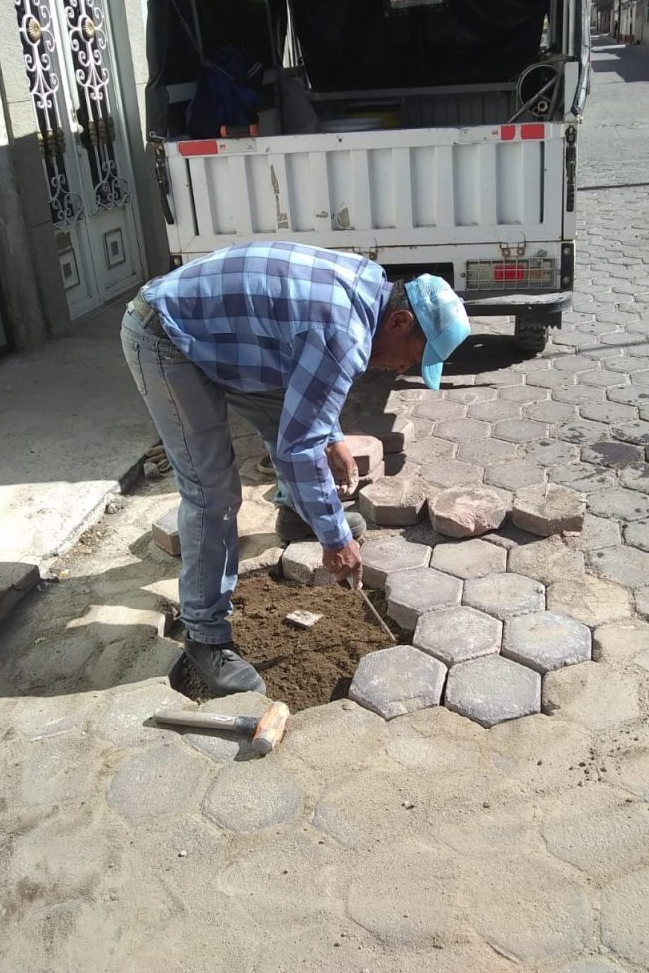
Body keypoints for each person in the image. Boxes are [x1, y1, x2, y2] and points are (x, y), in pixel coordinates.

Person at [120, 241, 470, 695]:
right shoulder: (344, 333)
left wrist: (332, 437)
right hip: (167, 335)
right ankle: (205, 637)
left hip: (228, 337)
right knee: (212, 492)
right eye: (413, 357)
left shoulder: (370, 289)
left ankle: (297, 513)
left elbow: (307, 394)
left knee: (287, 418)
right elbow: (298, 447)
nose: (402, 368)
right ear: (400, 322)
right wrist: (336, 539)